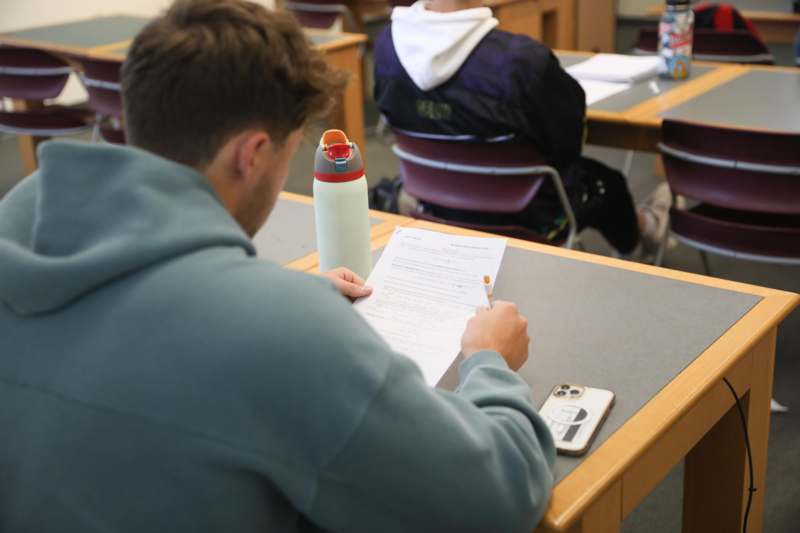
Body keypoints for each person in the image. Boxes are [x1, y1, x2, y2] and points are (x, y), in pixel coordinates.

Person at [0, 1, 557, 531]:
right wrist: (489, 363)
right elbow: (492, 500)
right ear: (252, 153)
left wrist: (262, 296)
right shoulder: (284, 331)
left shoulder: (23, 216)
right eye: (291, 152)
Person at [374, 0, 670, 257]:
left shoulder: (388, 47)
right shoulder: (522, 62)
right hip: (528, 217)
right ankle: (644, 234)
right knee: (607, 184)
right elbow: (567, 146)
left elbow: (390, 116)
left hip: (432, 206)